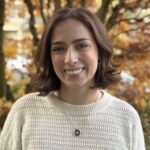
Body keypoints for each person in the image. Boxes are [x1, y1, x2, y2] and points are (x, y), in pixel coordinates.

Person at [0, 7, 145, 150]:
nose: (70, 59)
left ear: (100, 51)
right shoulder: (25, 111)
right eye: (59, 49)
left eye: (82, 45)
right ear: (49, 56)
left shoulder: (126, 118)